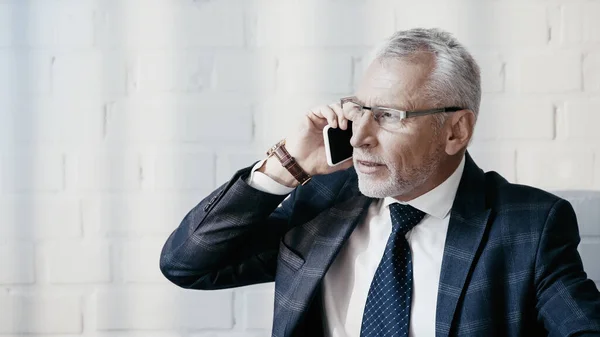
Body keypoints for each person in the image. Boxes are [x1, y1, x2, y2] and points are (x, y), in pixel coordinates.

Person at [159, 28, 600, 337]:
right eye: (359, 110)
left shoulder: (529, 226)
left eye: (390, 116)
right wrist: (286, 166)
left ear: (456, 131)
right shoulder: (323, 203)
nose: (360, 136)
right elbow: (188, 265)